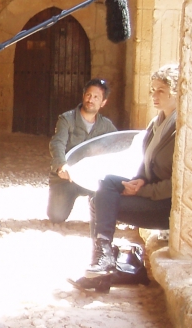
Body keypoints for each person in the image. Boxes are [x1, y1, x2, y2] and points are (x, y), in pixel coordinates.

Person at [72, 63, 178, 291]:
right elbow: (148, 162)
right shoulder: (158, 122)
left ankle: (101, 266)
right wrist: (139, 180)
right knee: (106, 184)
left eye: (160, 90)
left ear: (176, 92)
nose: (154, 95)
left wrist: (144, 190)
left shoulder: (182, 129)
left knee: (98, 201)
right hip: (150, 192)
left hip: (165, 206)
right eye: (153, 90)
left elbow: (181, 184)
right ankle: (102, 263)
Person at [47, 79, 117, 223]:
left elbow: (118, 146)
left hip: (93, 179)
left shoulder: (106, 126)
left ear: (103, 102)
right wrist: (62, 165)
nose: (91, 99)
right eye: (88, 95)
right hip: (68, 178)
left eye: (96, 97)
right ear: (83, 95)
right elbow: (58, 142)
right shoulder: (66, 119)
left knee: (105, 216)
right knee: (56, 216)